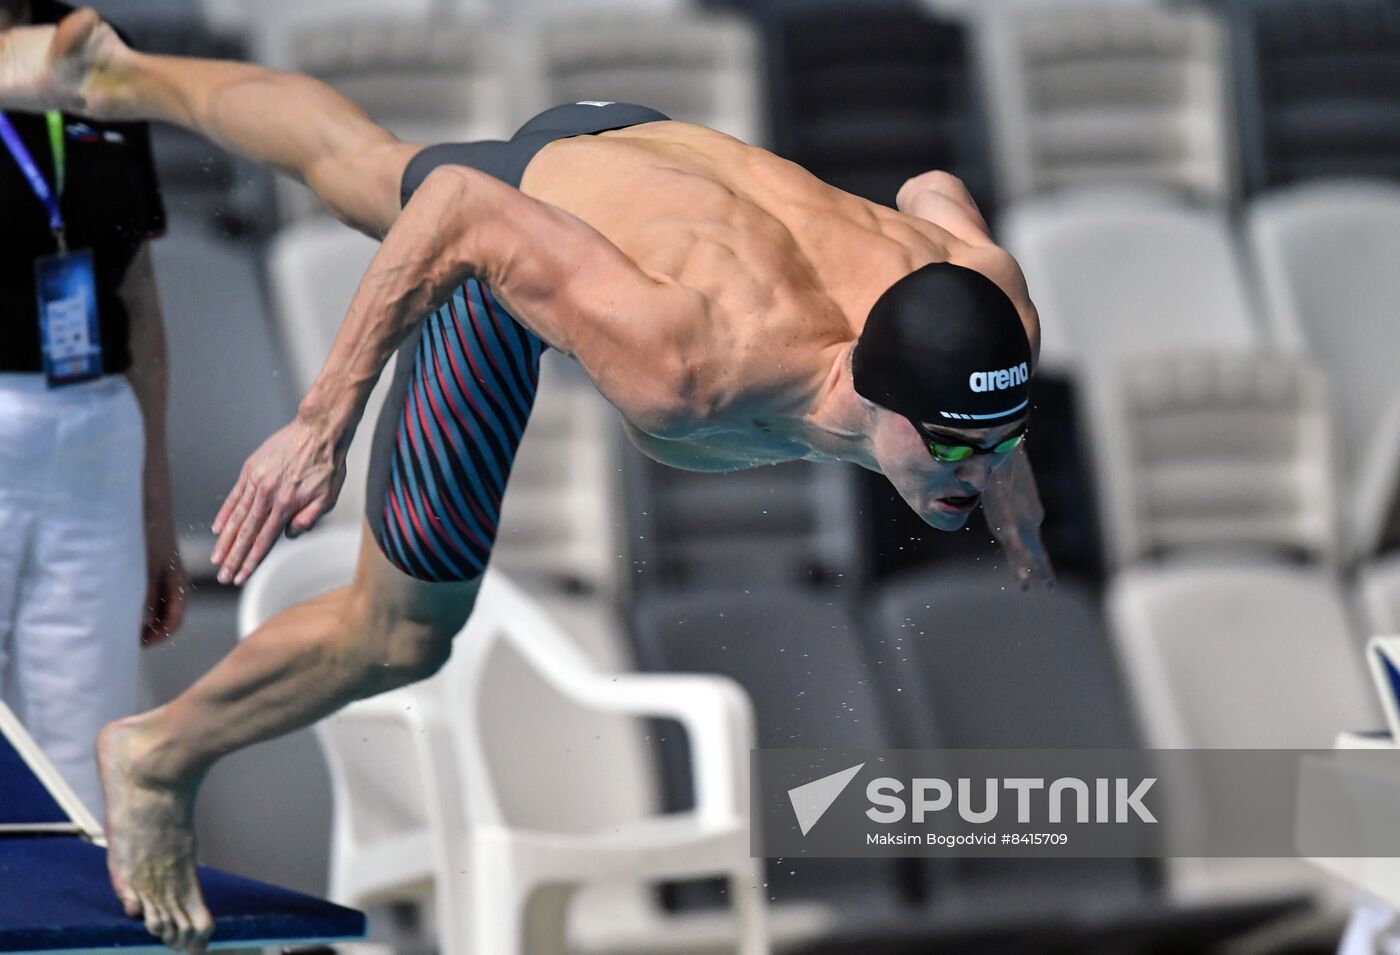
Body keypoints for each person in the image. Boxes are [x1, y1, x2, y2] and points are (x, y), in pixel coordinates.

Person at [1, 10, 1051, 951]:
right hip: (516, 229)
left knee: (357, 157)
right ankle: (157, 754)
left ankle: (111, 71)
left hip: (638, 148)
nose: (975, 471)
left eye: (996, 438)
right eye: (954, 448)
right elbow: (459, 209)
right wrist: (320, 425)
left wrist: (1003, 460)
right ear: (875, 394)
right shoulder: (690, 363)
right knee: (401, 633)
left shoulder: (989, 297)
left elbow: (932, 191)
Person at [0, 0, 181, 819]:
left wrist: (155, 507)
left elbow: (137, 293)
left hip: (97, 434)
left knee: (85, 769)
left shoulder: (106, 51)